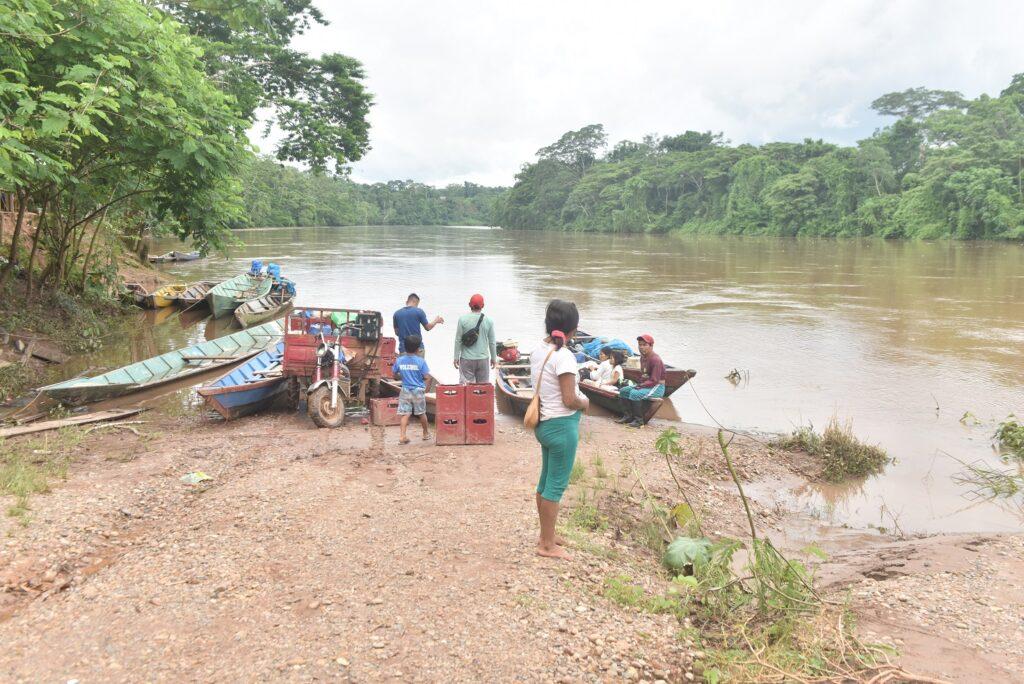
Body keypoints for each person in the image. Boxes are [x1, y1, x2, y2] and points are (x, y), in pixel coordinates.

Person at [531, 299, 589, 560]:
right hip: (562, 426)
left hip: (543, 424)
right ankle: (547, 545)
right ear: (573, 331)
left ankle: (547, 535)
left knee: (545, 482)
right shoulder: (564, 356)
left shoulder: (537, 350)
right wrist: (585, 402)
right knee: (555, 486)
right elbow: (569, 399)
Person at [616, 334, 665, 428]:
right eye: (640, 345)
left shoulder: (655, 360)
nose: (641, 347)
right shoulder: (643, 357)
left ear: (651, 346)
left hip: (657, 387)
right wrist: (639, 384)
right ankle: (628, 416)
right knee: (623, 391)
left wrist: (640, 386)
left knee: (634, 393)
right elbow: (644, 375)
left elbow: (654, 380)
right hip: (647, 385)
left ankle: (639, 420)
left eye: (644, 345)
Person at [392, 334, 432, 444]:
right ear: (418, 349)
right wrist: (426, 389)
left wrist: (403, 375)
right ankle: (425, 433)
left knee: (405, 414)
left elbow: (394, 375)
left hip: (405, 390)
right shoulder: (421, 361)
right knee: (421, 413)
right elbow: (427, 377)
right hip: (418, 390)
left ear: (405, 347)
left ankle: (402, 436)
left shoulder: (399, 360)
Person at [453, 293, 497, 383]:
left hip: (466, 359)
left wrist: (456, 357)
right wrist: (493, 358)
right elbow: (492, 342)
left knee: (466, 387)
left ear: (469, 305)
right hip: (483, 359)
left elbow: (458, 340)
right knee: (482, 387)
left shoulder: (462, 319)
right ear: (483, 306)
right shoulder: (489, 321)